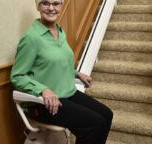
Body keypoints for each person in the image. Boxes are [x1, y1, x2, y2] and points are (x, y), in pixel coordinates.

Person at [10, 0, 113, 144]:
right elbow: (17, 76)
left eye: (56, 3)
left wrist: (76, 73)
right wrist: (43, 90)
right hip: (43, 103)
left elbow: (56, 62)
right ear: (38, 6)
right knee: (94, 124)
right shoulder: (31, 38)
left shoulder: (59, 31)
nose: (51, 8)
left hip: (66, 92)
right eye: (45, 3)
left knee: (106, 115)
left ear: (61, 5)